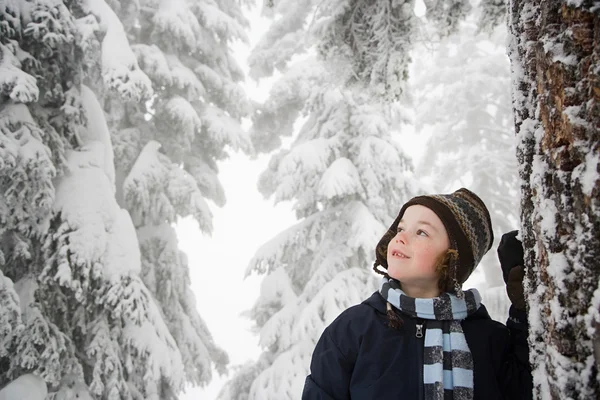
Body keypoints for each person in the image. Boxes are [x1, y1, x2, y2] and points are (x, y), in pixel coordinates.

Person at [302, 188, 532, 400]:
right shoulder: (354, 329)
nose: (400, 237)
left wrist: (524, 315)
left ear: (454, 258)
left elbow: (526, 388)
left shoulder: (486, 337)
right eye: (401, 228)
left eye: (421, 232)